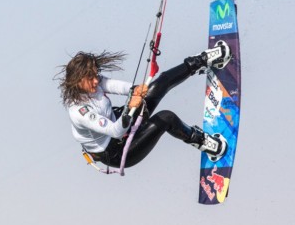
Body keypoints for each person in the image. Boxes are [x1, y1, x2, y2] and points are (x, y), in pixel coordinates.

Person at [56, 41, 231, 170]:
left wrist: (134, 90)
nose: (96, 80)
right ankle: (207, 145)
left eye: (96, 74)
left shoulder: (92, 83)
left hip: (123, 120)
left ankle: (202, 60)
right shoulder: (79, 111)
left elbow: (112, 85)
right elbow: (116, 131)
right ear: (77, 81)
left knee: (161, 82)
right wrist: (129, 109)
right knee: (166, 118)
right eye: (91, 78)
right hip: (119, 150)